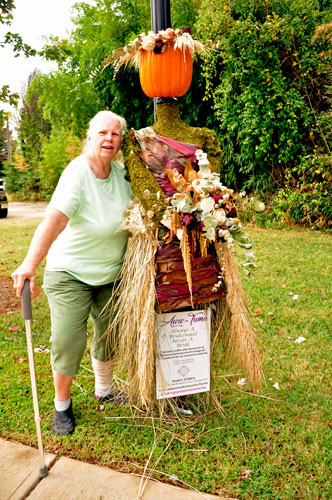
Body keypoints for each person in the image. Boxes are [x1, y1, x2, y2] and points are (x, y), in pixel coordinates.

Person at [11, 110, 133, 435]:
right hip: (70, 274)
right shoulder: (77, 173)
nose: (109, 139)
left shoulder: (123, 174)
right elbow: (54, 219)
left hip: (110, 274)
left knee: (109, 334)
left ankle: (104, 389)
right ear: (90, 137)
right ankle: (61, 406)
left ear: (121, 141)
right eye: (102, 133)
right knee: (68, 340)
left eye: (115, 134)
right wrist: (29, 264)